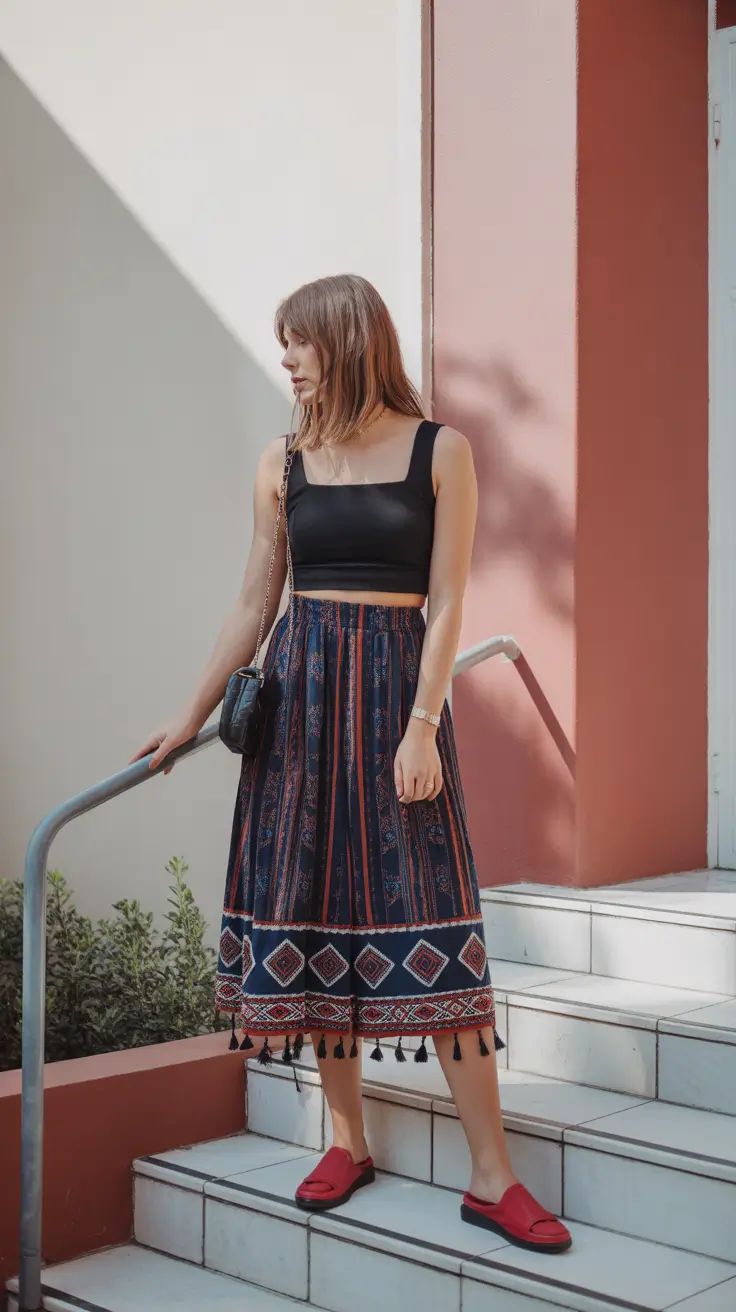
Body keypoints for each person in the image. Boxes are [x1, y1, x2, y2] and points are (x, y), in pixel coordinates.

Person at [132, 274, 571, 1254]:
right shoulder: (281, 462)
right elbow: (254, 602)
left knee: (437, 917)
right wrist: (186, 714)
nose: (284, 360)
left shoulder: (438, 451)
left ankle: (492, 1174)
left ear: (343, 340)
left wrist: (421, 724)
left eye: (297, 342)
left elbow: (447, 600)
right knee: (313, 914)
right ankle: (345, 1139)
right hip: (297, 713)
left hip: (393, 707)